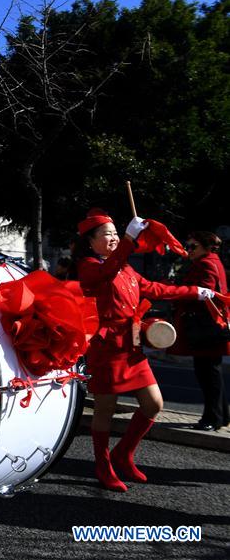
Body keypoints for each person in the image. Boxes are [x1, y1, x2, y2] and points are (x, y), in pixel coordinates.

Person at [73, 209, 212, 492]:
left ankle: (123, 453)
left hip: (131, 344)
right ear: (90, 241)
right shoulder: (89, 265)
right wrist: (127, 239)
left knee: (154, 404)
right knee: (105, 409)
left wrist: (195, 292)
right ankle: (102, 464)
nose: (112, 238)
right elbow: (106, 271)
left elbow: (155, 289)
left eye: (115, 233)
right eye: (106, 234)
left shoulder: (125, 266)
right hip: (106, 346)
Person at [173, 231, 229, 431]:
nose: (189, 250)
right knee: (212, 373)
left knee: (207, 375)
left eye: (193, 246)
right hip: (211, 326)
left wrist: (179, 294)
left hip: (205, 327)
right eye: (188, 246)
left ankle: (212, 418)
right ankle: (220, 416)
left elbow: (203, 292)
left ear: (206, 247)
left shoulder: (205, 264)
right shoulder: (214, 261)